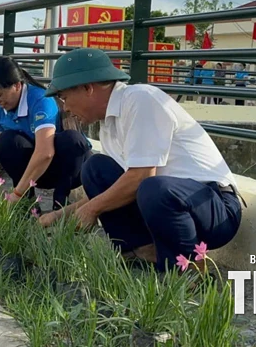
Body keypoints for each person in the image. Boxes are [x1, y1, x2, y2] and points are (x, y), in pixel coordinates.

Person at [38, 48, 244, 272]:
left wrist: (91, 210)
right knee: (95, 169)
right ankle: (143, 256)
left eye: (65, 98)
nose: (66, 108)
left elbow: (142, 177)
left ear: (88, 88)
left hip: (213, 207)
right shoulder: (108, 125)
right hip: (167, 200)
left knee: (151, 187)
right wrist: (60, 215)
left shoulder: (140, 99)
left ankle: (191, 271)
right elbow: (116, 189)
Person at [0, 56, 92, 210]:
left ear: (17, 85)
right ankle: (27, 205)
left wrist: (16, 193)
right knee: (5, 141)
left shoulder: (40, 100)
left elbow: (46, 153)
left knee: (71, 139)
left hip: (70, 169)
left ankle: (60, 204)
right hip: (36, 173)